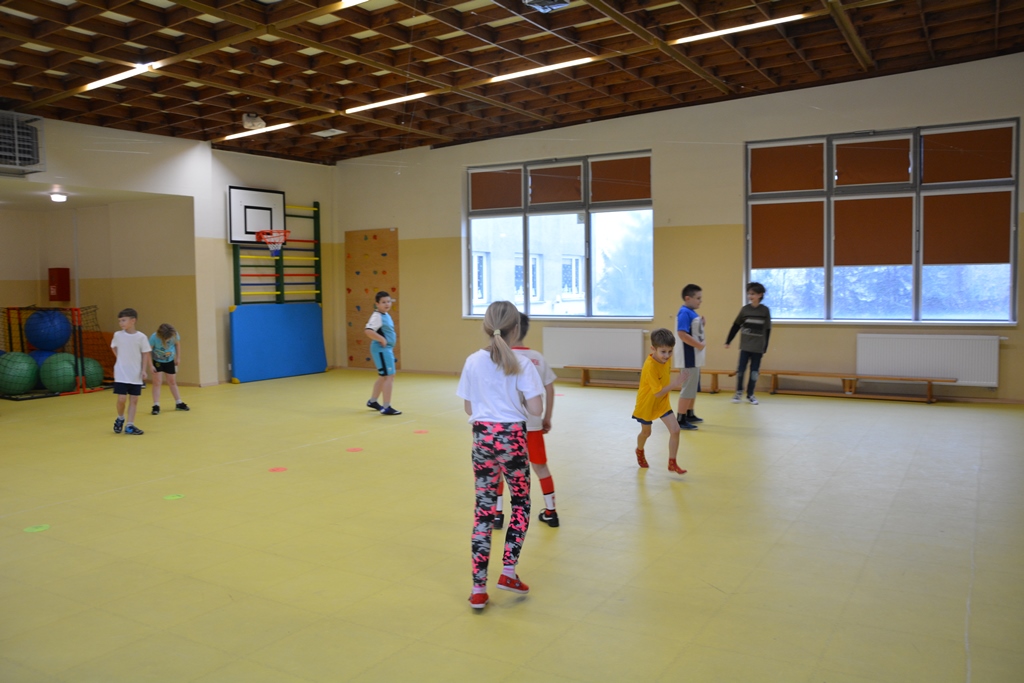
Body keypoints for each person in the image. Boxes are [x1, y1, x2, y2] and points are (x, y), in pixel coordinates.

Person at [456, 301, 544, 610]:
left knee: (484, 510)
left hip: (482, 437)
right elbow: (536, 410)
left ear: (486, 327)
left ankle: (478, 589)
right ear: (516, 329)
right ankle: (508, 571)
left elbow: (468, 407)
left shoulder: (472, 361)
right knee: (520, 502)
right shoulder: (523, 364)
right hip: (512, 438)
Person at [493, 313, 559, 529]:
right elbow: (549, 389)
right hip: (532, 424)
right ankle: (551, 512)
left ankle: (497, 515)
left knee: (499, 468)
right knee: (541, 467)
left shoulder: (500, 358)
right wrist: (546, 417)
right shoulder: (537, 358)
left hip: (505, 426)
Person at [633, 329, 687, 475]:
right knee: (646, 432)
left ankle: (672, 463)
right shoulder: (650, 366)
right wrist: (676, 383)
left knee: (675, 430)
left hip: (662, 403)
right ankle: (639, 450)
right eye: (663, 352)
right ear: (653, 349)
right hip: (647, 404)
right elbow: (657, 393)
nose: (667, 355)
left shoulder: (665, 360)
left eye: (670, 351)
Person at [725, 282, 772, 405]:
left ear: (760, 295)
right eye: (749, 294)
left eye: (753, 294)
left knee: (754, 372)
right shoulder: (745, 310)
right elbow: (736, 325)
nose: (750, 296)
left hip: (758, 348)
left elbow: (768, 330)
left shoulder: (765, 310)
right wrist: (728, 340)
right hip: (745, 346)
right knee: (740, 370)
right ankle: (738, 393)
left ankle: (750, 394)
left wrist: (765, 346)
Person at [110, 308, 151, 435]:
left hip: (135, 374)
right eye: (119, 321)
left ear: (133, 321)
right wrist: (120, 359)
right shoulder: (118, 335)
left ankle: (130, 425)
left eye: (124, 320)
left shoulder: (141, 337)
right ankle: (120, 417)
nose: (121, 323)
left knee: (134, 400)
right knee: (122, 399)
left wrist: (143, 370)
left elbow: (145, 353)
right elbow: (114, 347)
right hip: (121, 373)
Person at [364, 291, 401, 415]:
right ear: (377, 304)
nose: (387, 304)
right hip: (382, 349)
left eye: (388, 301)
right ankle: (386, 407)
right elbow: (368, 331)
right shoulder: (377, 316)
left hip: (386, 349)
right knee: (389, 376)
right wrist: (382, 339)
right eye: (383, 302)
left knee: (383, 376)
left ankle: (373, 401)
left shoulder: (385, 315)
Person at [675, 283, 706, 430]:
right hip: (688, 358)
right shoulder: (684, 313)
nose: (700, 301)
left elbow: (693, 332)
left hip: (695, 358)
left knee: (693, 387)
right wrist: (698, 345)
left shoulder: (691, 313)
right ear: (688, 298)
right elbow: (682, 334)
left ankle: (689, 413)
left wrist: (702, 325)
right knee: (688, 388)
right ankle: (680, 419)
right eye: (698, 298)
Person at [149, 323, 189, 415]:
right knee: (157, 382)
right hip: (158, 361)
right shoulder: (154, 338)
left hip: (170, 360)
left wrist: (178, 358)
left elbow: (177, 344)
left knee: (172, 381)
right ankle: (156, 405)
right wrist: (151, 365)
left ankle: (178, 402)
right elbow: (148, 351)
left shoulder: (174, 334)